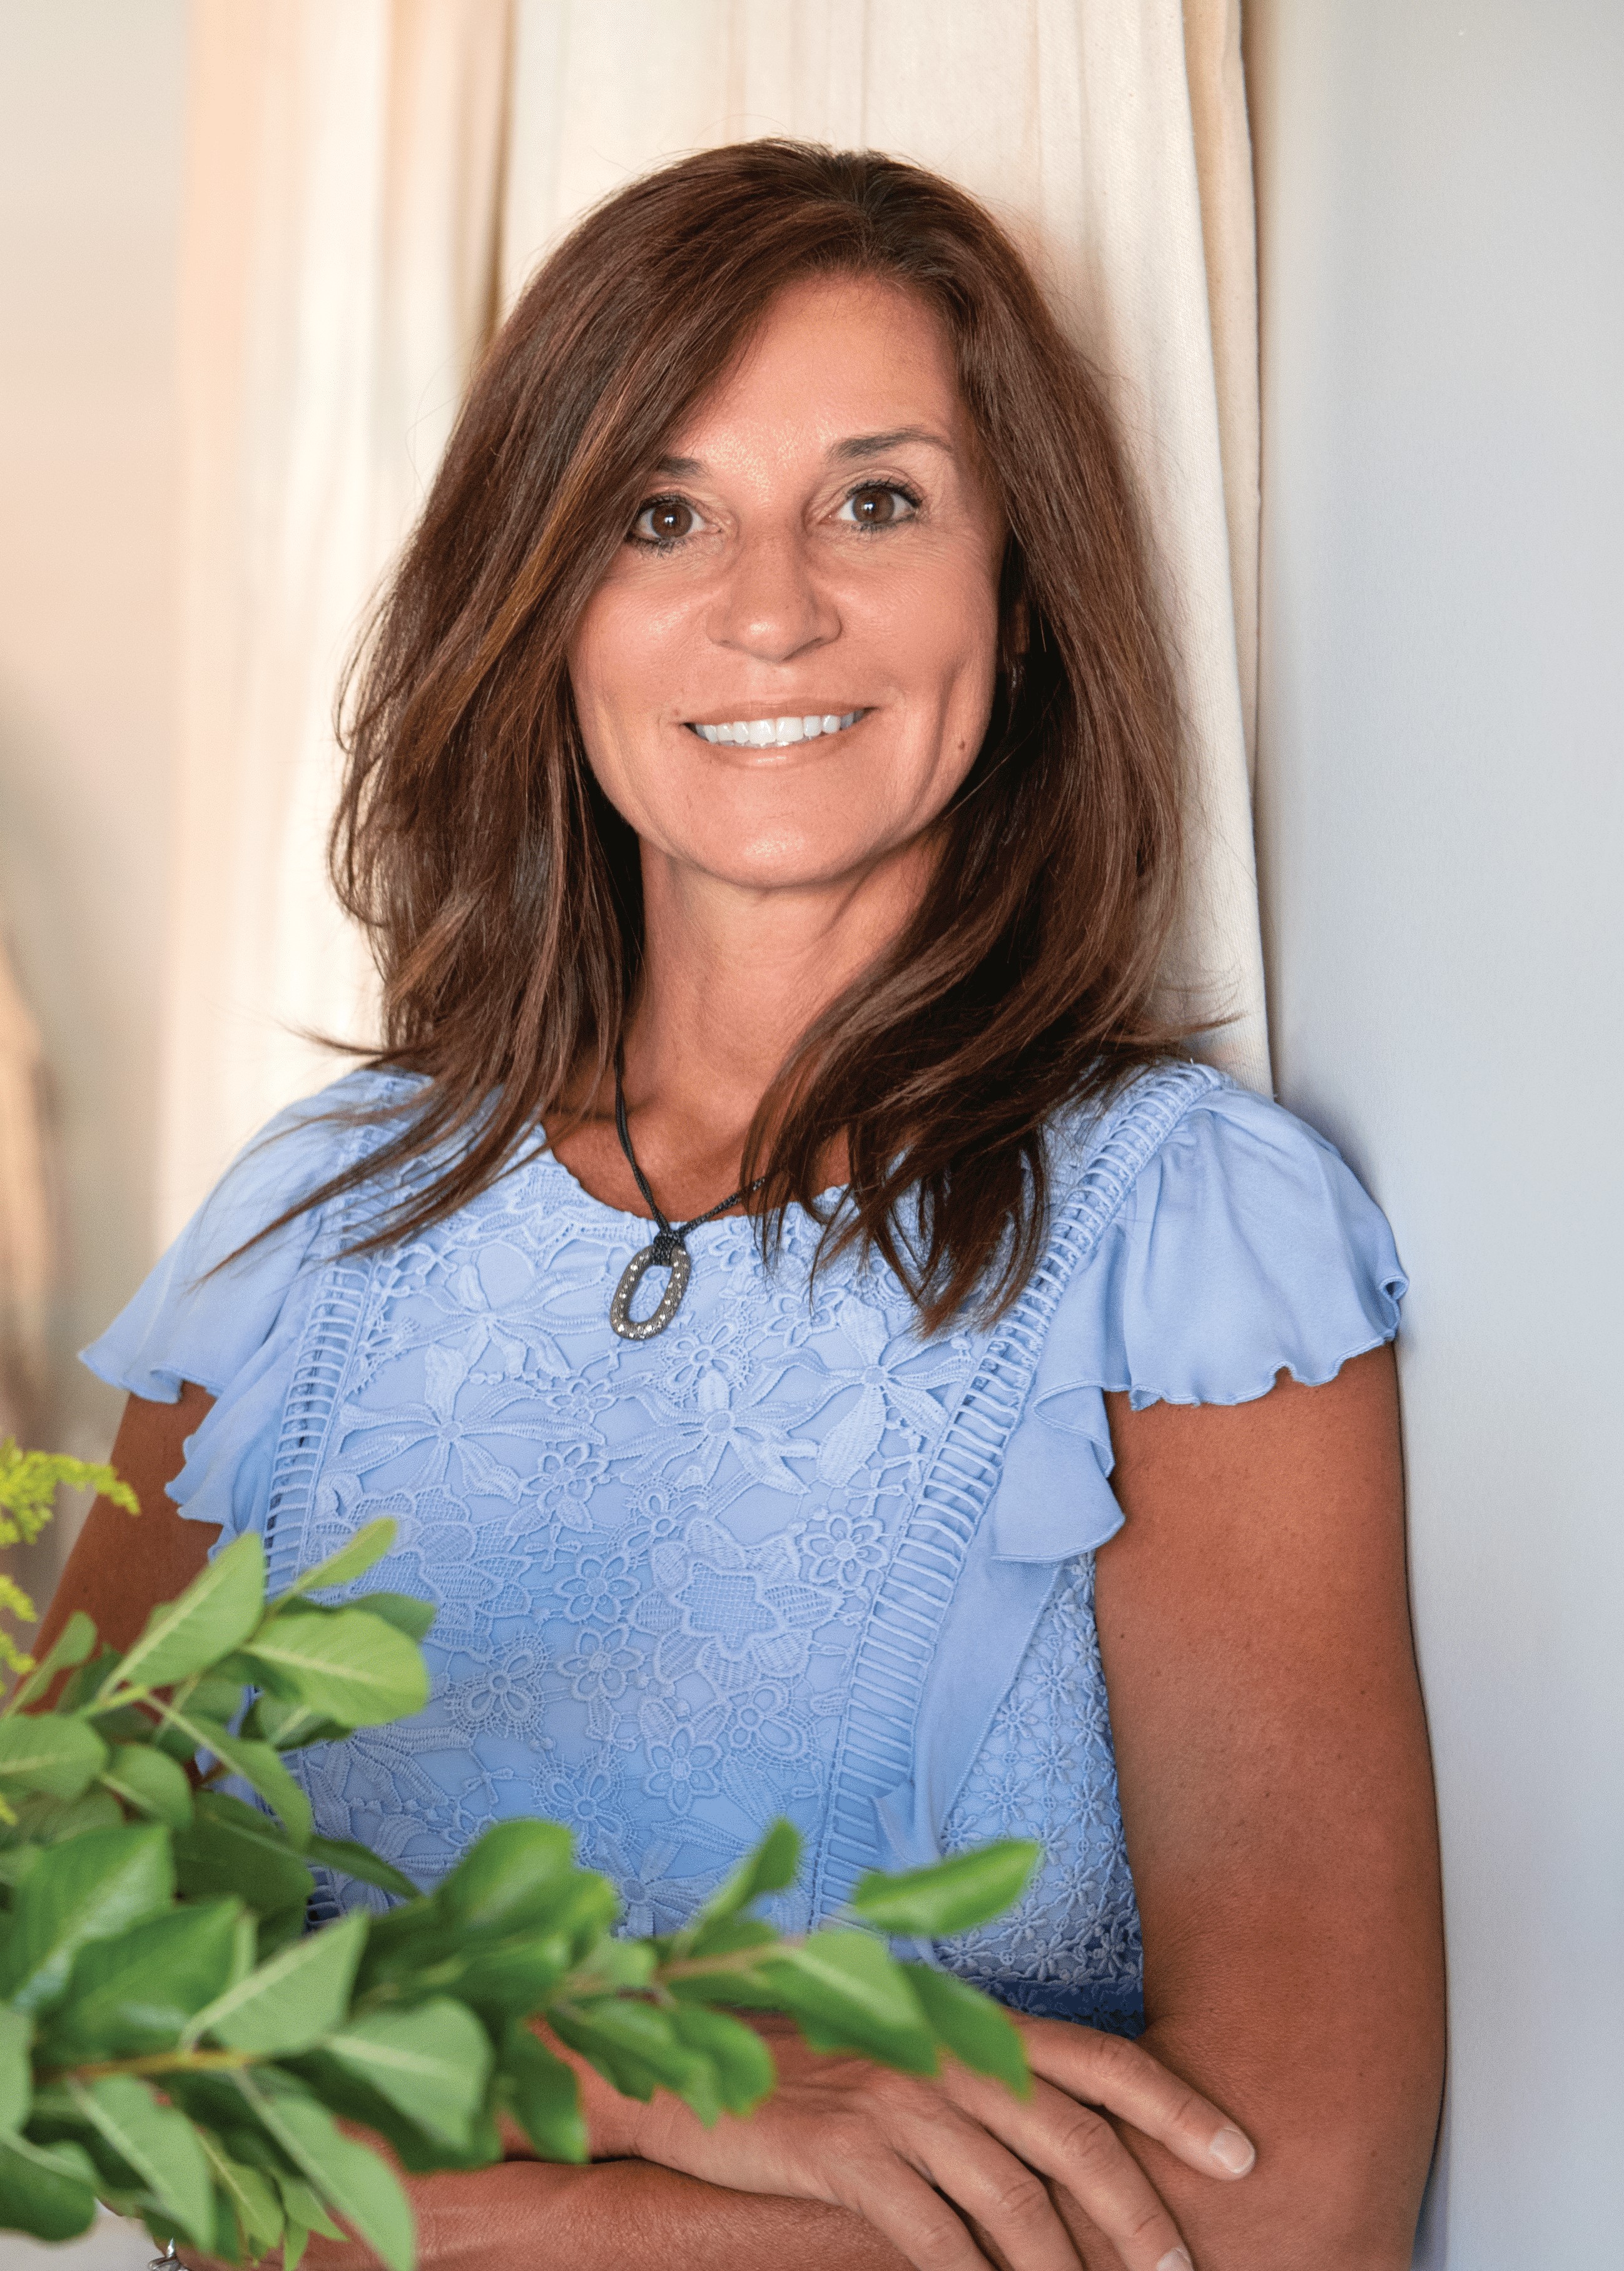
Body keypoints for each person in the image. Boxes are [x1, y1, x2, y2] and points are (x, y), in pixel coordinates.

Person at [43, 143, 1443, 2271]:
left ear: (1017, 584)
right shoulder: (298, 1233)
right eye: (658, 513)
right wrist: (629, 2068)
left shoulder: (1188, 1247)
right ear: (546, 600)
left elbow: (1294, 2201)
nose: (770, 605)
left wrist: (464, 2223)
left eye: (877, 501)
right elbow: (51, 2025)